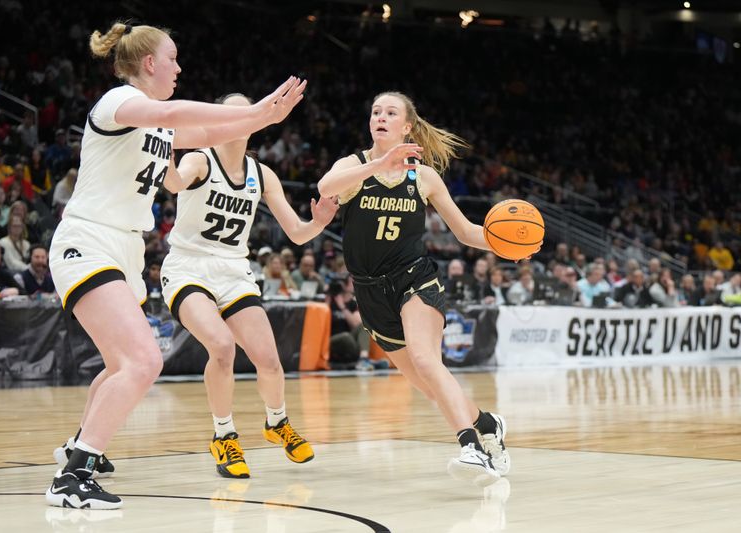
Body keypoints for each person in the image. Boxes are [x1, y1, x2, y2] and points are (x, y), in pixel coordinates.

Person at [46, 21, 306, 510]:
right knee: (145, 361)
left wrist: (264, 120)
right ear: (149, 63)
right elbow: (178, 113)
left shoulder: (160, 124)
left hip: (123, 248)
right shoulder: (118, 102)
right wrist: (253, 110)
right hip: (89, 239)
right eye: (173, 57)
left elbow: (209, 129)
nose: (179, 67)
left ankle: (78, 450)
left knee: (121, 364)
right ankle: (73, 474)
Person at [318, 91, 510, 487]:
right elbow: (326, 186)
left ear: (406, 126)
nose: (380, 117)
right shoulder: (355, 167)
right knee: (428, 384)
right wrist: (377, 165)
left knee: (427, 361)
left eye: (390, 112)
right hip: (370, 292)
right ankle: (487, 422)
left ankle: (470, 447)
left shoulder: (422, 177)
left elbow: (466, 231)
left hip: (414, 280)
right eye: (375, 111)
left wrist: (505, 245)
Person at [160, 93, 337, 478]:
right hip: (188, 267)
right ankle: (224, 435)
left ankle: (277, 423)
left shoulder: (263, 174)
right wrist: (167, 145)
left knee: (270, 361)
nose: (242, 116)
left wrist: (320, 221)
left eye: (247, 111)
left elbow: (298, 233)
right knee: (221, 347)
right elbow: (173, 183)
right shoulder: (199, 158)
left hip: (234, 270)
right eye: (232, 111)